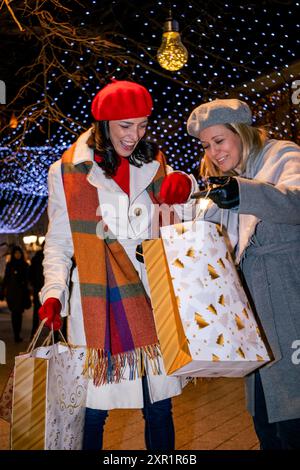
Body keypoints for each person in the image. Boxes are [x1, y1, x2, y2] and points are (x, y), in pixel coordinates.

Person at [38, 79, 197, 451]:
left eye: (142, 125)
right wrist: (53, 293)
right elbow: (60, 241)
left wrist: (184, 189)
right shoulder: (67, 171)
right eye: (126, 126)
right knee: (93, 410)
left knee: (159, 406)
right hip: (98, 302)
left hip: (149, 292)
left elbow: (177, 222)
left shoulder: (155, 162)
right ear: (104, 124)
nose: (135, 136)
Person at [183, 98, 300, 450]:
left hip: (291, 306)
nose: (214, 152)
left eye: (219, 141)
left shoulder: (283, 155)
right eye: (207, 145)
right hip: (256, 322)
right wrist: (165, 248)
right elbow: (203, 232)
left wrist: (243, 194)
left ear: (241, 133)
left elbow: (295, 201)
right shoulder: (228, 182)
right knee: (265, 424)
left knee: (293, 420)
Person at [2, 245, 31, 342]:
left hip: (22, 294)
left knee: (19, 314)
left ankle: (17, 334)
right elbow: (6, 279)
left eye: (19, 253)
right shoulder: (10, 265)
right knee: (15, 314)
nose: (17, 255)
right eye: (16, 253)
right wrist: (2, 292)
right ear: (13, 254)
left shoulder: (25, 265)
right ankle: (16, 334)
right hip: (12, 294)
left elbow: (28, 280)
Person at [28, 244, 45, 338]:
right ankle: (34, 332)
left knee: (49, 311)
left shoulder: (51, 257)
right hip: (39, 288)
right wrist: (35, 285)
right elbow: (31, 273)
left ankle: (52, 334)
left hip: (46, 288)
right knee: (37, 312)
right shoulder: (36, 258)